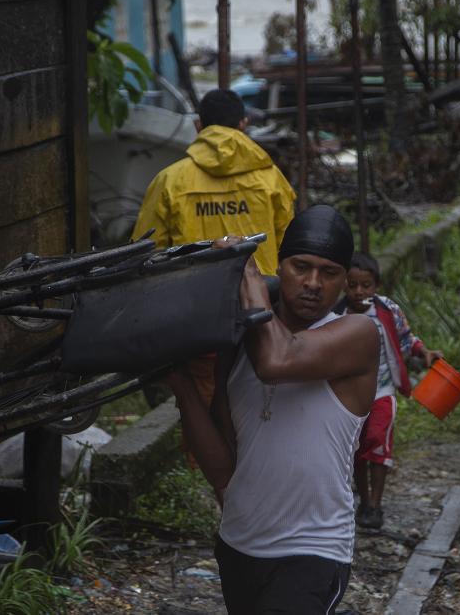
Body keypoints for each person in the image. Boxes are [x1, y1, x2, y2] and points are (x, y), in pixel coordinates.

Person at [165, 205, 380, 613]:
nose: (313, 283)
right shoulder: (241, 343)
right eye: (301, 266)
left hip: (313, 550)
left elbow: (276, 363)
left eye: (329, 272)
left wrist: (245, 272)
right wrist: (181, 385)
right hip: (238, 545)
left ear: (345, 281)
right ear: (280, 266)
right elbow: (224, 470)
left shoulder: (357, 335)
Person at [132, 88, 296, 440]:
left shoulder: (169, 180)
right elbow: (290, 246)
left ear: (198, 126)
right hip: (261, 310)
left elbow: (145, 253)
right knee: (263, 406)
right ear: (244, 124)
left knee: (208, 410)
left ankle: (222, 485)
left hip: (196, 318)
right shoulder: (270, 178)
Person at [333, 252, 442, 529]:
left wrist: (424, 352)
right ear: (344, 284)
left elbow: (406, 337)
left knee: (379, 444)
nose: (359, 292)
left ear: (376, 285)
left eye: (365, 286)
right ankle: (363, 499)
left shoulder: (387, 311)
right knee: (355, 449)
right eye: (353, 285)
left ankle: (375, 504)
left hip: (382, 391)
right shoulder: (336, 315)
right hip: (349, 396)